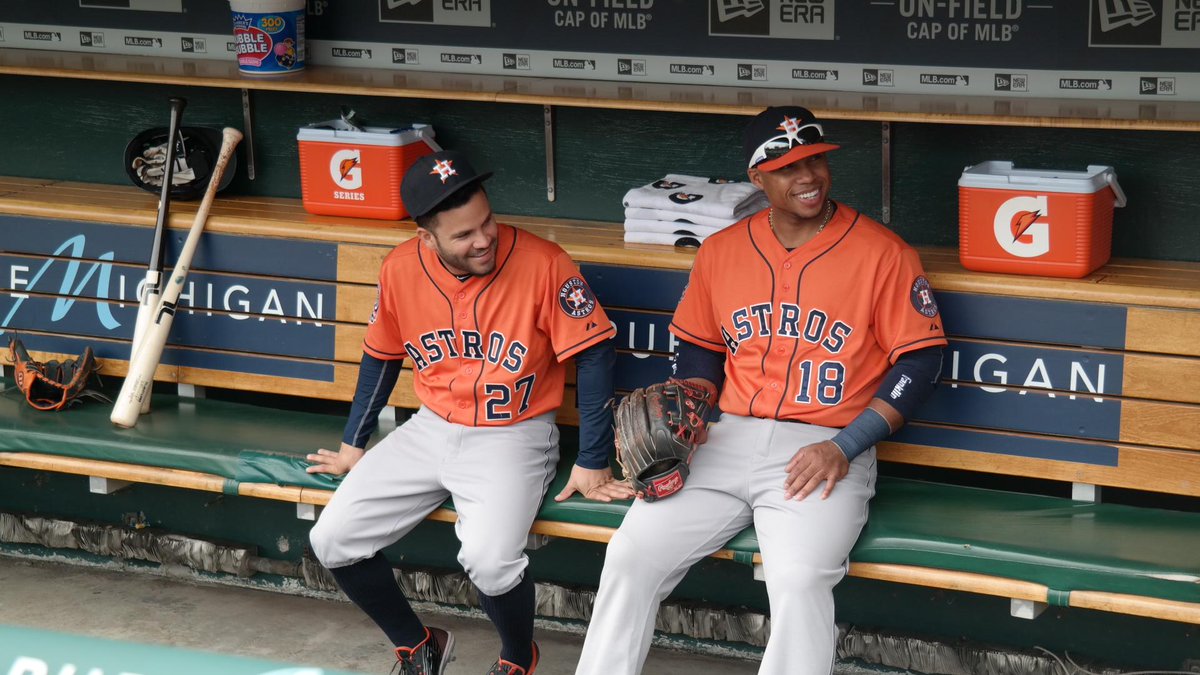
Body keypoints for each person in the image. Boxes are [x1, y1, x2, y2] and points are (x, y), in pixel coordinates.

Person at [575, 106, 947, 675]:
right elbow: (701, 352)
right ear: (757, 178)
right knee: (630, 555)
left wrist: (845, 447)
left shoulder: (883, 254)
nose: (808, 177)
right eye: (788, 167)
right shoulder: (722, 251)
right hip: (725, 441)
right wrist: (691, 409)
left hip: (825, 449)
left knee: (797, 580)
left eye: (816, 161)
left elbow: (919, 361)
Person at [308, 149, 632, 675]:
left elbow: (595, 352)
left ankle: (516, 657)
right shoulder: (400, 269)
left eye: (487, 223)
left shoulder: (544, 263)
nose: (483, 239)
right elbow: (381, 356)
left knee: (489, 560)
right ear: (426, 238)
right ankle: (418, 644)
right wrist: (354, 445)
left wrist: (594, 459)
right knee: (332, 540)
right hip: (431, 427)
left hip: (514, 433)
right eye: (463, 235)